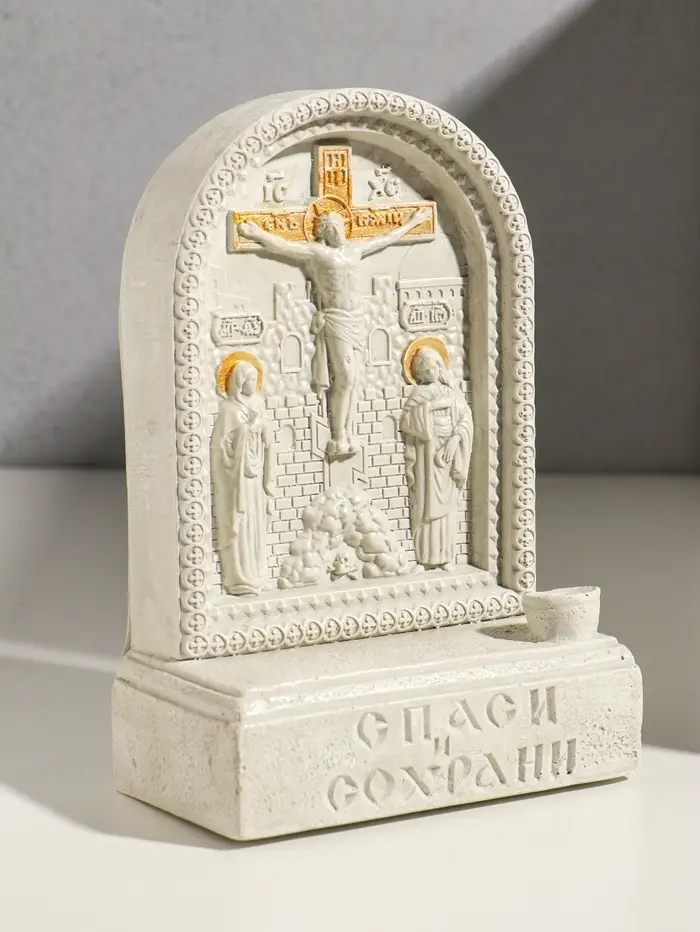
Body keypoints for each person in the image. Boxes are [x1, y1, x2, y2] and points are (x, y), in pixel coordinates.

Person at [237, 206, 431, 457]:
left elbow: (386, 238)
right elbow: (284, 246)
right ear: (324, 232)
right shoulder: (318, 252)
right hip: (336, 318)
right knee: (346, 377)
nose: (339, 232)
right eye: (333, 228)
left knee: (355, 380)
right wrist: (257, 233)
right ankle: (338, 435)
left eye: (340, 226)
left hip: (357, 318)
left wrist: (413, 222)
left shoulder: (355, 249)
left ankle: (349, 433)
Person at [400, 347, 473, 571]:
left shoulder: (452, 393)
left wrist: (455, 440)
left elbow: (466, 418)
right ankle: (423, 559)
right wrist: (431, 407)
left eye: (431, 367)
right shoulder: (418, 394)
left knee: (448, 509)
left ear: (440, 367)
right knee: (425, 506)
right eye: (423, 369)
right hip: (427, 455)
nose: (428, 372)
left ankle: (447, 557)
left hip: (449, 455)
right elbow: (407, 422)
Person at [211, 361, 274, 595]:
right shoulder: (229, 410)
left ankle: (256, 572)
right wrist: (248, 429)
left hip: (254, 480)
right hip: (237, 481)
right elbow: (220, 448)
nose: (254, 385)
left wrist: (262, 428)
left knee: (255, 523)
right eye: (250, 380)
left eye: (256, 380)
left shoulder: (258, 404)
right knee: (241, 522)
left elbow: (268, 440)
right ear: (238, 382)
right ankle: (239, 577)